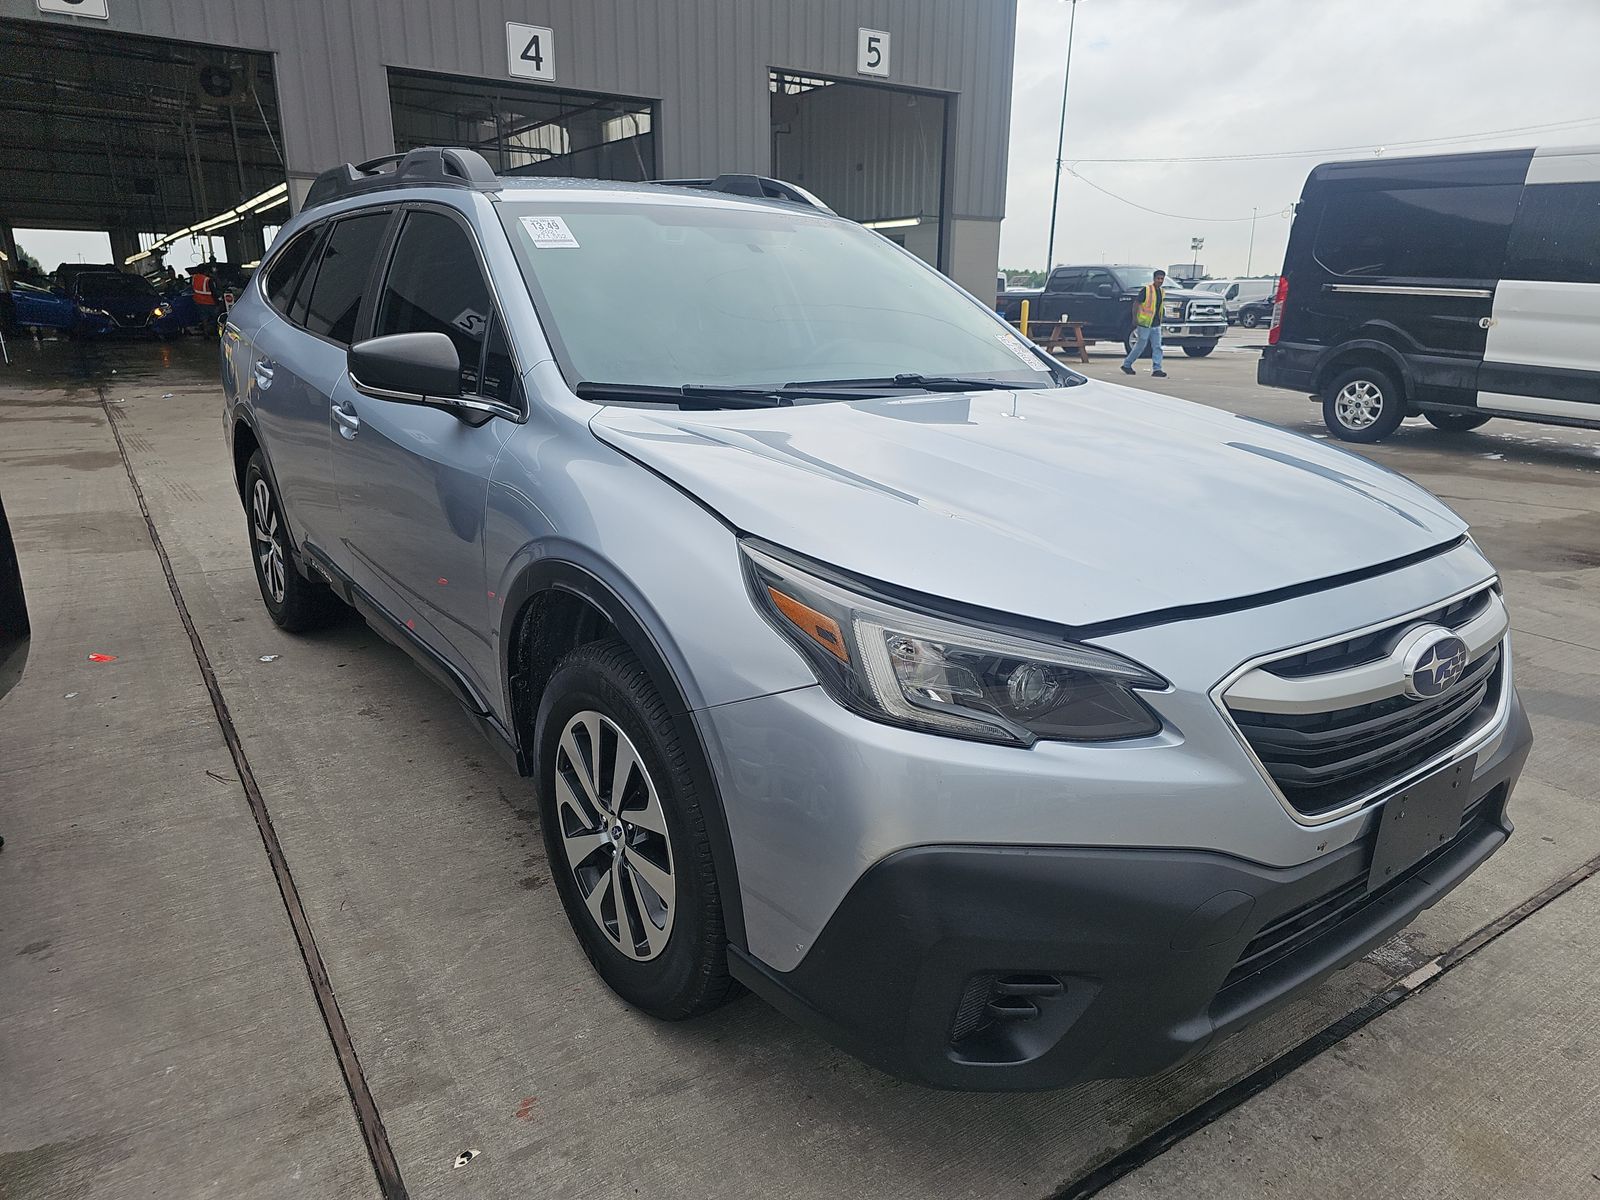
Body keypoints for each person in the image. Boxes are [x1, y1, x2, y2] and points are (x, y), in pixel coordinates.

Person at [1121, 269, 1168, 378]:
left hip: (1156, 324)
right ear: (1154, 279)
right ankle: (1127, 364)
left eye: (1162, 279)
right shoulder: (1146, 290)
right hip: (1145, 323)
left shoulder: (1161, 292)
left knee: (1157, 347)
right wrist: (1135, 318)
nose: (1160, 281)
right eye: (1158, 278)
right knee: (1140, 346)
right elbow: (1136, 303)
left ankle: (1157, 369)